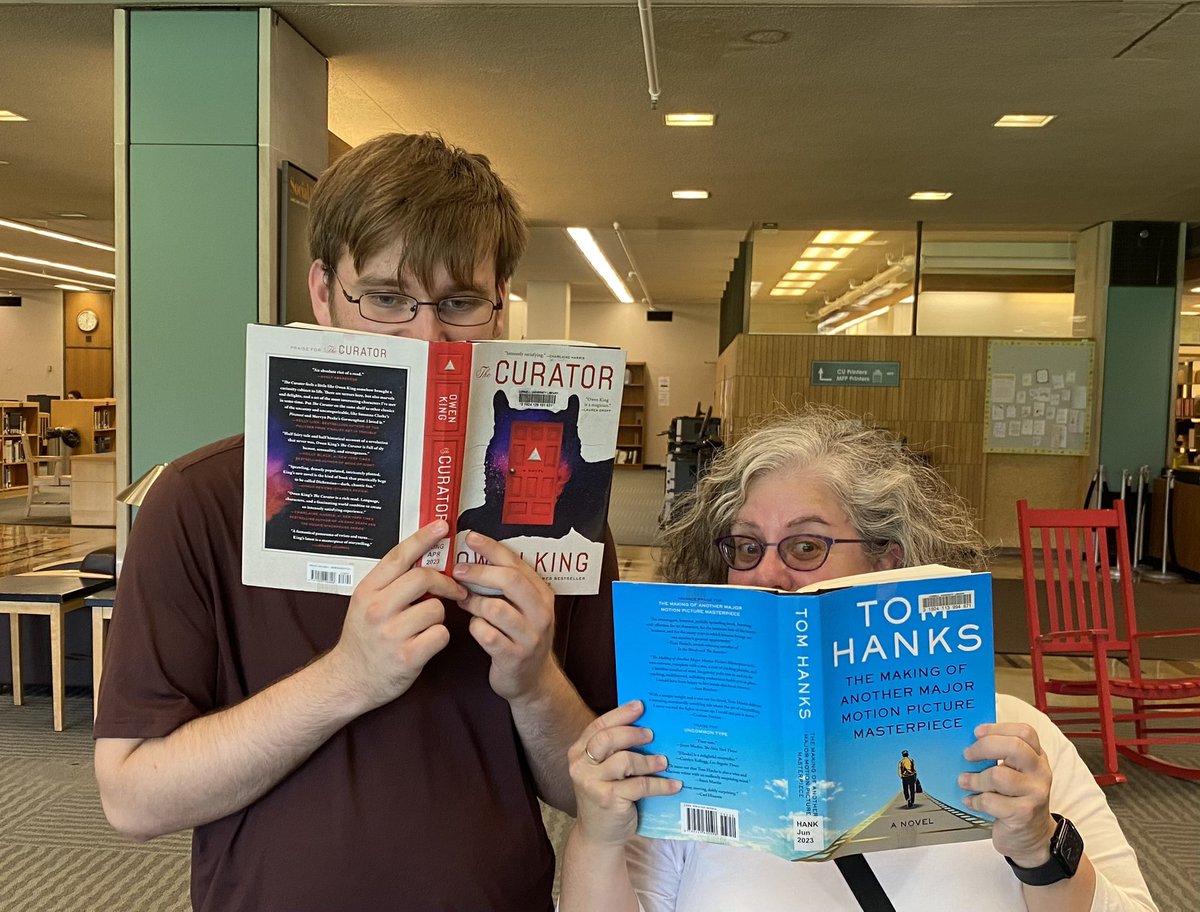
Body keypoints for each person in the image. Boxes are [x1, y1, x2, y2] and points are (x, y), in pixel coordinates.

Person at [93, 132, 618, 912]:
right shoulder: (199, 502)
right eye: (385, 298)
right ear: (322, 294)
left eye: (461, 304)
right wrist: (348, 678)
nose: (427, 337)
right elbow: (134, 798)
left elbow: (589, 792)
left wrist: (534, 683)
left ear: (500, 307)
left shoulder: (566, 520)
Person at [563, 408, 1158, 912]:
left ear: (884, 562)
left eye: (805, 545)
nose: (766, 572)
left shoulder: (1014, 741)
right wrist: (596, 836)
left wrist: (1038, 847)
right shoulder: (681, 755)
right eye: (745, 546)